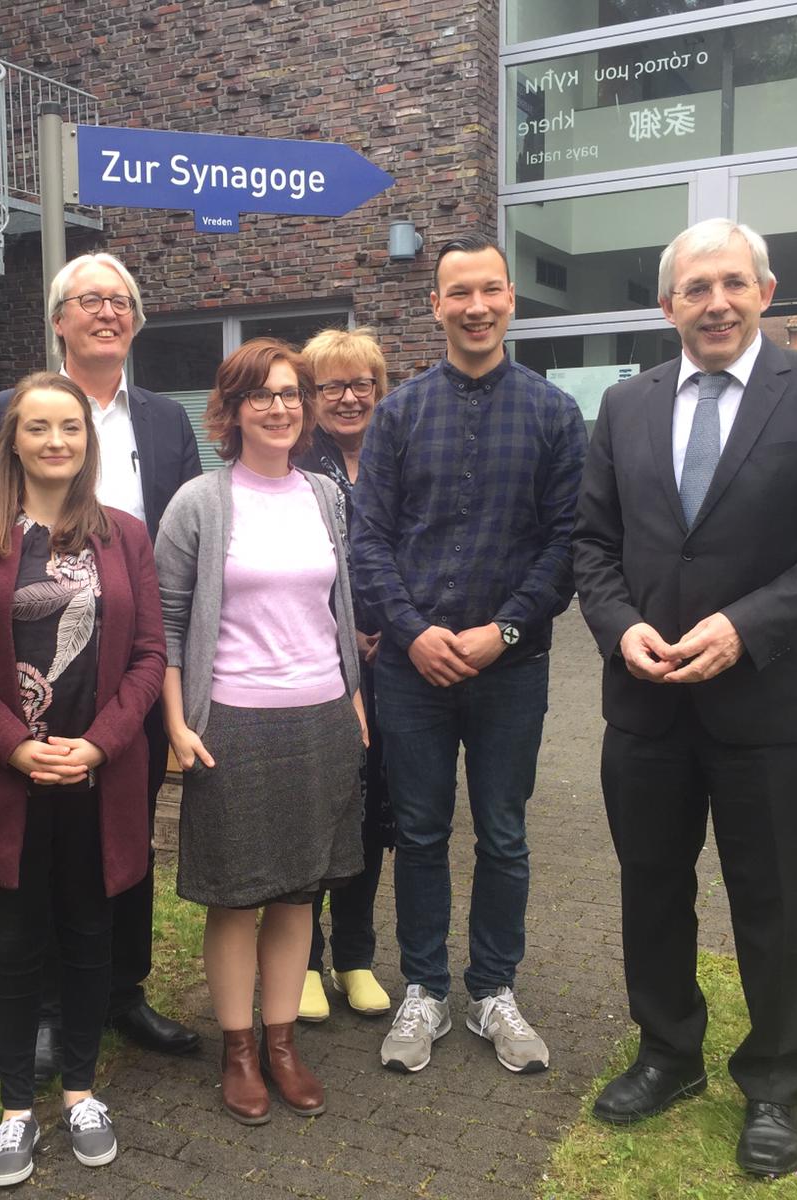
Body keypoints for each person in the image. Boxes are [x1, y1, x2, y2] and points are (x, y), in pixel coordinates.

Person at [571, 218, 797, 1178]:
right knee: (653, 888)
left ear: (766, 290)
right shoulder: (626, 406)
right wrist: (618, 624)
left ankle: (777, 1081)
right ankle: (669, 1053)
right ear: (667, 305)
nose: (716, 301)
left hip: (772, 707)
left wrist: (744, 628)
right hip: (647, 703)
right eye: (695, 287)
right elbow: (592, 543)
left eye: (733, 283)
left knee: (776, 901)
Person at [350, 232, 586, 1077]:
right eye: (460, 293)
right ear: (437, 305)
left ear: (512, 299)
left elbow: (567, 545)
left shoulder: (556, 415)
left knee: (505, 834)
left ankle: (492, 989)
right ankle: (424, 987)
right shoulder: (401, 414)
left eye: (490, 290)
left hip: (511, 670)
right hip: (411, 672)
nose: (476, 307)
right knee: (417, 833)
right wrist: (414, 633)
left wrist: (504, 633)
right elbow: (368, 540)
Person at [0, 372, 166, 1187]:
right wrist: (15, 747)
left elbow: (148, 656)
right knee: (17, 943)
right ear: (13, 440)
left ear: (87, 442)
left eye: (70, 427)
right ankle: (16, 1109)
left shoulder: (126, 535)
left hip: (98, 777)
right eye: (39, 428)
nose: (56, 441)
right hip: (8, 778)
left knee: (93, 935)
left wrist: (98, 745)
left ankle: (82, 1092)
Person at [0, 253, 203, 1069]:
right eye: (90, 300)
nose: (108, 313)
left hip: (133, 670)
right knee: (33, 846)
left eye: (122, 302)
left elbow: (193, 543)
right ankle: (40, 1006)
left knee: (124, 835)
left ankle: (119, 989)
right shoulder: (10, 407)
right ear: (59, 319)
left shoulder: (169, 421)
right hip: (32, 669)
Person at [155, 338, 367, 1125]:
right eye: (262, 395)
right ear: (233, 411)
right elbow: (168, 623)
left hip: (321, 718)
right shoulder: (200, 502)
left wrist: (353, 701)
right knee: (235, 898)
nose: (280, 407)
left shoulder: (324, 496)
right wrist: (177, 721)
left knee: (298, 894)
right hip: (232, 724)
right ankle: (238, 1049)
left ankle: (282, 1043)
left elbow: (338, 605)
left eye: (291, 394)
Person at [293, 327, 395, 1025]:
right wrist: (343, 629)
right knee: (314, 806)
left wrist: (399, 622)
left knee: (372, 812)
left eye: (363, 383)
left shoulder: (400, 456)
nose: (350, 397)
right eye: (332, 385)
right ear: (311, 396)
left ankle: (355, 956)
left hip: (397, 664)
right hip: (315, 665)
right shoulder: (295, 467)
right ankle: (300, 959)